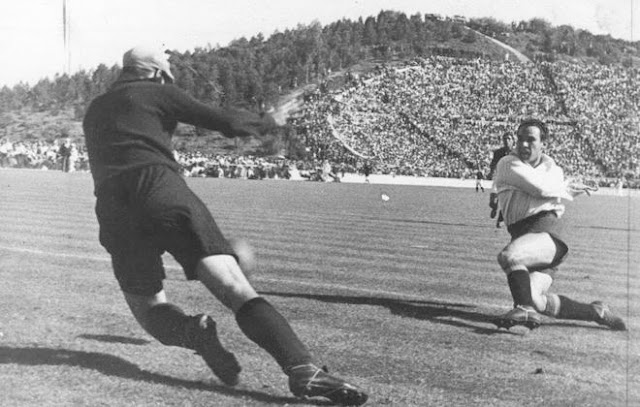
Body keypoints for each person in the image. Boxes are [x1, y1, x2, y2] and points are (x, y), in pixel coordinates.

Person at [82, 45, 368, 406]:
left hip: (113, 207)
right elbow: (223, 121)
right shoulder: (158, 90)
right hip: (160, 189)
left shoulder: (95, 108)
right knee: (234, 286)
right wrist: (267, 120)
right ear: (156, 72)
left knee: (147, 307)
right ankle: (302, 369)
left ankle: (192, 332)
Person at [492, 119, 626, 331]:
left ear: (543, 143)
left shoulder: (553, 167)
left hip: (547, 231)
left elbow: (543, 190)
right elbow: (541, 188)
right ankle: (595, 311)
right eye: (520, 139)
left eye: (531, 140)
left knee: (509, 256)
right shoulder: (508, 163)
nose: (524, 145)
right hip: (524, 236)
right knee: (537, 300)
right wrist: (567, 187)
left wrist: (564, 187)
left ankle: (524, 309)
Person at [488, 132, 515, 227]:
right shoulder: (498, 152)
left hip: (511, 181)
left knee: (507, 203)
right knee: (493, 202)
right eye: (505, 139)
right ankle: (494, 208)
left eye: (509, 139)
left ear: (513, 141)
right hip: (499, 178)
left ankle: (500, 218)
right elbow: (493, 164)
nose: (507, 141)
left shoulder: (517, 153)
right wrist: (491, 172)